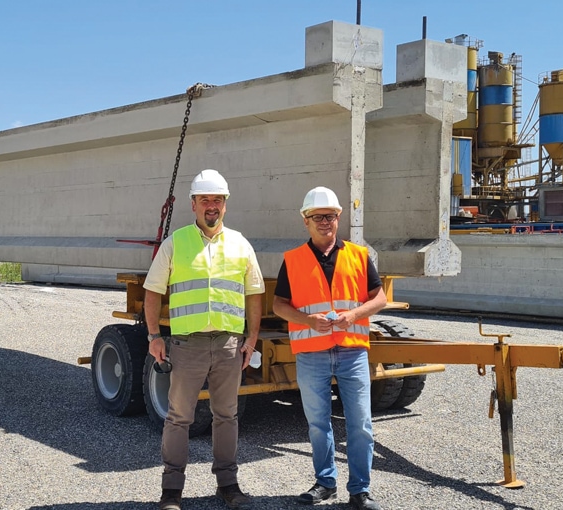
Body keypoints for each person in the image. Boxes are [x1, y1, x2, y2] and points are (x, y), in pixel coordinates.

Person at [143, 169, 265, 510]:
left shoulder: (240, 243)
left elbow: (255, 293)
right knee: (179, 417)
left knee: (226, 416)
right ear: (194, 204)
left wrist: (251, 338)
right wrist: (154, 335)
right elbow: (152, 292)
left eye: (218, 200)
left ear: (225, 205)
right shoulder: (176, 242)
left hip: (228, 346)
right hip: (187, 346)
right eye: (205, 200)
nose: (211, 206)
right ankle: (171, 492)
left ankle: (228, 485)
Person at [272, 186, 386, 510]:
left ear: (339, 218)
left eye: (331, 216)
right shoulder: (293, 261)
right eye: (318, 217)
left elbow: (380, 298)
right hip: (311, 354)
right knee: (318, 423)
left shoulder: (359, 256)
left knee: (361, 422)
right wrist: (308, 320)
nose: (326, 222)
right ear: (305, 221)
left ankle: (360, 491)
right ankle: (325, 483)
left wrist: (355, 314)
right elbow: (279, 305)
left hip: (352, 352)